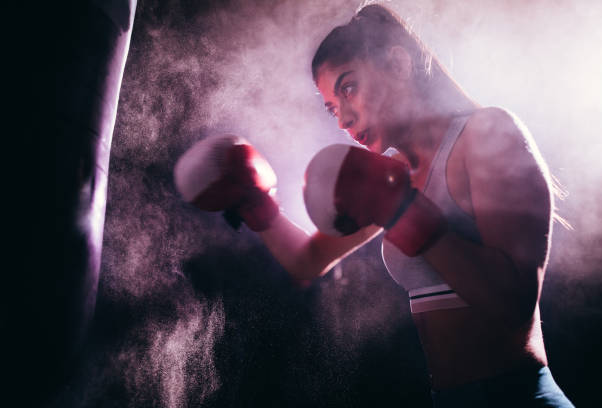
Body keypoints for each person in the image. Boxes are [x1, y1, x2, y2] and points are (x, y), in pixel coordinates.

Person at [174, 4, 574, 407]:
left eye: (348, 88)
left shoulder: (487, 132)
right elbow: (308, 261)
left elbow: (515, 304)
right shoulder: (391, 174)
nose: (343, 119)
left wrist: (404, 213)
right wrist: (256, 203)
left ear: (398, 64)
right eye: (331, 107)